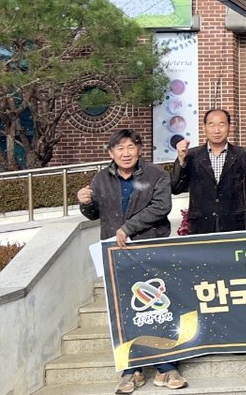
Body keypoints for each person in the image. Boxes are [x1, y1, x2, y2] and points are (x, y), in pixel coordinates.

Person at [77, 130, 184, 392]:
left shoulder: (156, 175)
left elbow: (161, 207)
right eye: (120, 148)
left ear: (139, 149)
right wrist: (84, 203)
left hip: (150, 250)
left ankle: (166, 367)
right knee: (124, 310)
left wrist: (128, 228)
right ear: (111, 153)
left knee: (160, 307)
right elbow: (94, 214)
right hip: (117, 254)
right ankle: (132, 370)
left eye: (130, 147)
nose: (126, 153)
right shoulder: (101, 178)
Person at [171, 109, 246, 234]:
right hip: (201, 227)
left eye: (221, 125)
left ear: (229, 127)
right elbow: (176, 188)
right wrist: (181, 160)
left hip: (234, 227)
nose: (217, 130)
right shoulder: (192, 156)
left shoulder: (243, 155)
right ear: (204, 128)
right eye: (211, 125)